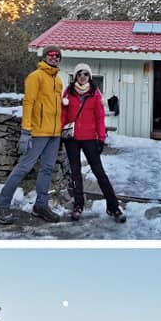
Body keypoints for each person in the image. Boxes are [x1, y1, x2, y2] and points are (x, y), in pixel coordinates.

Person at [0, 44, 64, 225]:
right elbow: (28, 103)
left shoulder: (58, 80)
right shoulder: (35, 77)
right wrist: (26, 131)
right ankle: (2, 205)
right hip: (38, 132)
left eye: (57, 55)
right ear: (44, 57)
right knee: (23, 168)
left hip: (54, 133)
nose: (54, 57)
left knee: (47, 169)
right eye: (51, 54)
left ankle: (41, 206)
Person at [61, 63, 126, 223]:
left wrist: (101, 138)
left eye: (86, 74)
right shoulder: (68, 93)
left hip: (90, 138)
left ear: (89, 77)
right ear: (75, 76)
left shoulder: (95, 93)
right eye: (79, 74)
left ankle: (113, 207)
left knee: (99, 173)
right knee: (75, 173)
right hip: (72, 139)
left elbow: (100, 117)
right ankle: (78, 205)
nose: (83, 77)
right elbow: (63, 114)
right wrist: (61, 132)